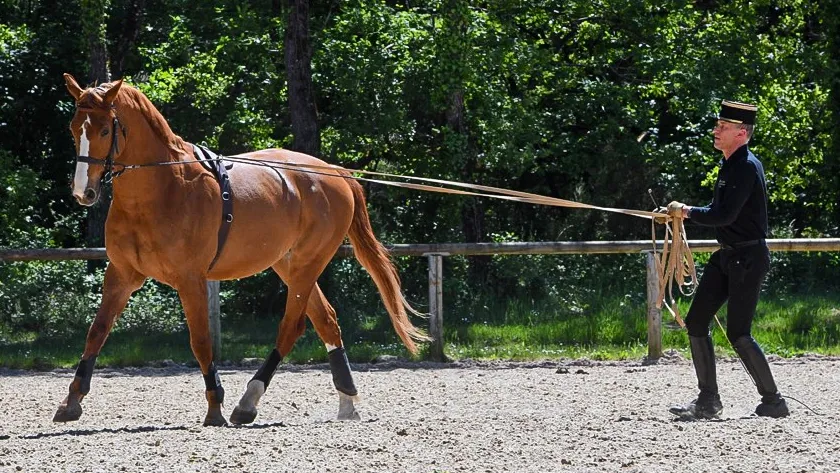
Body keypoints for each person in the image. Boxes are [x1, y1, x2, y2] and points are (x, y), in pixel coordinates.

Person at [667, 100, 789, 419]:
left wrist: (687, 212)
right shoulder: (730, 164)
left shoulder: (745, 166)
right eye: (718, 124)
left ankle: (774, 401)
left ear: (742, 132)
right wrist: (682, 215)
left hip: (747, 258)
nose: (716, 130)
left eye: (723, 127)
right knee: (696, 323)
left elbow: (724, 215)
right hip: (729, 256)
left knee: (739, 333)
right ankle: (708, 400)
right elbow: (720, 212)